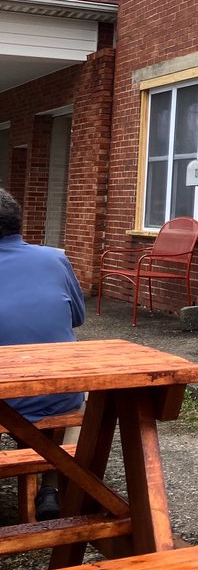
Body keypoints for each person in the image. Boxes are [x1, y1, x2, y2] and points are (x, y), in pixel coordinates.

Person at [0, 188, 85, 519]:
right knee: (76, 392)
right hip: (55, 394)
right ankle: (50, 484)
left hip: (7, 399)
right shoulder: (55, 259)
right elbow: (77, 317)